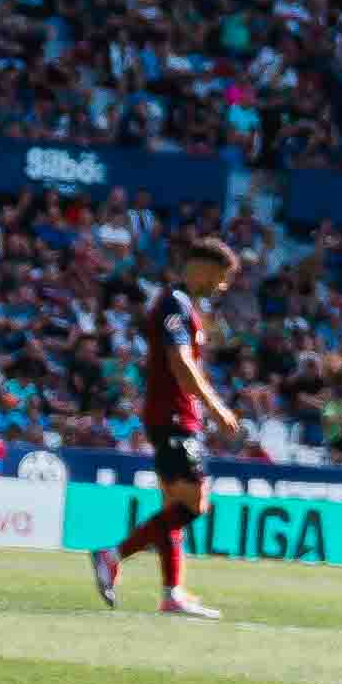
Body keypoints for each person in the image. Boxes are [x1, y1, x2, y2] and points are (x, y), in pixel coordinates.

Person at [89, 234, 239, 620]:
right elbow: (180, 363)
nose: (221, 286)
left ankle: (172, 593)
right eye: (220, 277)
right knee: (195, 502)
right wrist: (216, 407)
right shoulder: (173, 303)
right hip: (173, 414)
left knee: (174, 506)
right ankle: (112, 555)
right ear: (203, 267)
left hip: (174, 414)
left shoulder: (185, 305)